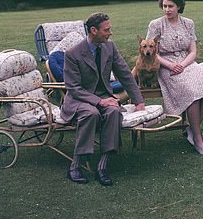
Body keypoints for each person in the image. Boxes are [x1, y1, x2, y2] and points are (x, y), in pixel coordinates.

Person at [61, 12, 146, 186]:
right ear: (93, 30)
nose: (110, 33)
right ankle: (74, 167)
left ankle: (102, 167)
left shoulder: (110, 47)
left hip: (104, 97)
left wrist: (139, 101)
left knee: (114, 111)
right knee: (91, 113)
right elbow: (74, 88)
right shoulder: (73, 54)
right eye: (106, 30)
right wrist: (99, 101)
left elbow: (125, 75)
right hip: (79, 100)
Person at [146, 0, 203, 155]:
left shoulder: (188, 23)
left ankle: (191, 130)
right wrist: (171, 65)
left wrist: (183, 64)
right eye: (164, 6)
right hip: (165, 65)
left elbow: (193, 51)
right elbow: (151, 53)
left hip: (187, 62)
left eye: (170, 6)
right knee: (191, 92)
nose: (167, 10)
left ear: (179, 6)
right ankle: (198, 140)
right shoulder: (156, 25)